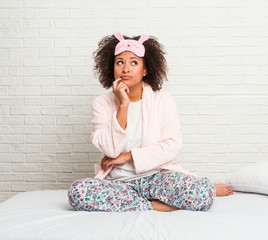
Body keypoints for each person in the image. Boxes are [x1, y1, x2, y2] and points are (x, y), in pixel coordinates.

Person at [68, 32, 233, 212]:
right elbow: (110, 150)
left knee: (201, 194)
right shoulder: (102, 104)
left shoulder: (163, 100)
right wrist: (123, 104)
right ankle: (155, 206)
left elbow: (172, 146)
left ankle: (140, 203)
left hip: (158, 177)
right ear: (112, 67)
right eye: (120, 62)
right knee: (78, 192)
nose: (126, 69)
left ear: (145, 70)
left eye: (134, 62)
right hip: (120, 184)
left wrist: (129, 156)